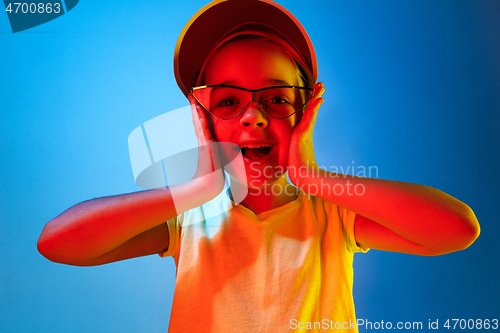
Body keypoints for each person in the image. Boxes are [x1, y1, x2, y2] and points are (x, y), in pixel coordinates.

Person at [37, 0, 480, 332]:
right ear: (202, 119)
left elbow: (458, 229)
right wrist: (196, 190)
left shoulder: (335, 214)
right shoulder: (188, 221)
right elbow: (59, 243)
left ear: (306, 113)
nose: (254, 116)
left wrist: (315, 179)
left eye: (276, 99)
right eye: (228, 101)